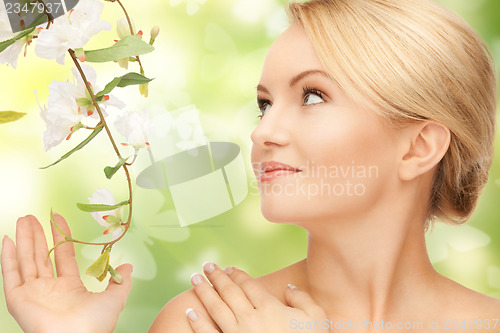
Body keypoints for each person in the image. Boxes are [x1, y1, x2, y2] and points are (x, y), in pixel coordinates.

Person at [2, 0, 499, 332]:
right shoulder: (202, 321)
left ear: (418, 147)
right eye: (264, 103)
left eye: (312, 95)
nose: (263, 133)